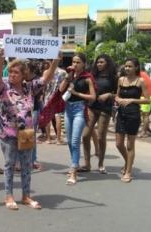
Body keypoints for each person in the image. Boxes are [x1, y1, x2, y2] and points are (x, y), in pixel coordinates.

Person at [0, 49, 58, 210]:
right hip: (8, 134)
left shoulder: (29, 87)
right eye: (11, 72)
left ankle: (26, 196)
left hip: (26, 134)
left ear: (23, 75)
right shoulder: (4, 87)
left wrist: (56, 60)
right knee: (9, 165)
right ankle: (8, 196)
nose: (13, 75)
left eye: (16, 72)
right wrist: (1, 59)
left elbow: (46, 78)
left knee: (26, 165)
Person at [59, 53, 96, 185]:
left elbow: (93, 97)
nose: (75, 64)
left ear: (84, 64)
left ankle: (74, 169)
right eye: (73, 62)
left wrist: (77, 94)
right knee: (69, 140)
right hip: (68, 109)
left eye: (78, 62)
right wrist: (67, 78)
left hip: (80, 109)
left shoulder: (87, 78)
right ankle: (75, 163)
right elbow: (60, 89)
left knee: (75, 140)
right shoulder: (70, 75)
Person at [80, 54, 117, 174]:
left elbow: (119, 95)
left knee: (101, 137)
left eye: (101, 62)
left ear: (107, 63)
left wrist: (109, 95)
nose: (99, 64)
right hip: (91, 107)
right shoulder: (92, 75)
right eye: (98, 62)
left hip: (104, 109)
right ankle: (87, 164)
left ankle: (101, 163)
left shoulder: (113, 77)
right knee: (85, 135)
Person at [115, 57, 150, 183]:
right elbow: (117, 95)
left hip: (133, 114)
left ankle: (128, 171)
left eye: (130, 66)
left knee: (130, 144)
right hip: (121, 113)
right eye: (126, 66)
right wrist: (118, 100)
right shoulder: (121, 79)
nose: (127, 68)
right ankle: (128, 162)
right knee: (118, 143)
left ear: (136, 67)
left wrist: (132, 100)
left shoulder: (140, 81)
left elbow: (147, 100)